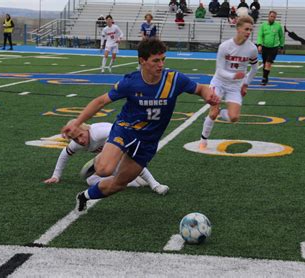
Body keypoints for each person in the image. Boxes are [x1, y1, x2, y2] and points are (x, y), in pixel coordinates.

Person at [62, 38, 220, 212]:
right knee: (104, 169)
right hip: (126, 130)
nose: (161, 65)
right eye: (156, 60)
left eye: (163, 60)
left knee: (120, 184)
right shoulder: (131, 82)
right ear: (142, 61)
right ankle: (100, 158)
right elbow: (101, 101)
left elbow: (200, 88)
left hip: (149, 141)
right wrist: (77, 123)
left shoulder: (174, 79)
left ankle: (84, 196)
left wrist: (208, 95)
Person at [44, 121, 169, 195]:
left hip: (123, 140)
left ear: (86, 129)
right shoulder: (77, 143)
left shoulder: (100, 133)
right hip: (107, 153)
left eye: (81, 135)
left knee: (126, 161)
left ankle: (155, 185)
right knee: (90, 181)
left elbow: (122, 133)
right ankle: (132, 181)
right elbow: (64, 154)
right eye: (75, 138)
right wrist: (56, 176)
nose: (80, 140)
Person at [199, 16, 258, 150]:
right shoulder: (225, 46)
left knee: (234, 117)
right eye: (246, 29)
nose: (248, 32)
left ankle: (220, 112)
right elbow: (219, 70)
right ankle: (203, 139)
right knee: (212, 113)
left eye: (250, 30)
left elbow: (254, 68)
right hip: (219, 82)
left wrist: (246, 83)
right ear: (238, 29)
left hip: (235, 86)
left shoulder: (252, 49)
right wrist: (234, 75)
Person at [256, 10, 284, 86]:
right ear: (268, 16)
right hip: (265, 47)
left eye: (274, 17)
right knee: (265, 63)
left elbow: (281, 36)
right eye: (271, 16)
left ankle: (264, 79)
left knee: (268, 62)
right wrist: (259, 44)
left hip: (274, 47)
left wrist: (281, 46)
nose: (272, 18)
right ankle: (265, 76)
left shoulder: (278, 26)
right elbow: (260, 35)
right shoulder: (263, 25)